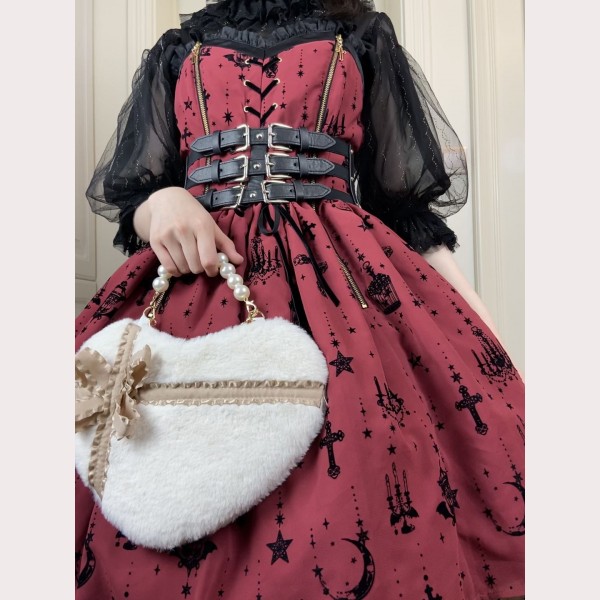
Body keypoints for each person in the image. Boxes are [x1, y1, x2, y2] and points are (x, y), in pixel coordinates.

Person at [75, 0, 525, 598]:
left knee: (369, 471)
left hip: (347, 293)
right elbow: (135, 196)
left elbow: (406, 211)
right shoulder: (176, 50)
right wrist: (160, 203)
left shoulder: (362, 37)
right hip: (201, 278)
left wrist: (479, 329)